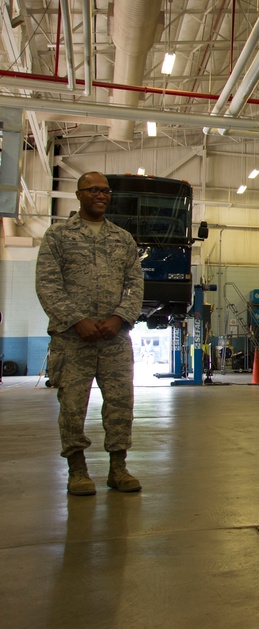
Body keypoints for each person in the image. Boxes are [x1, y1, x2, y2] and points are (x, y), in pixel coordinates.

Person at [35, 171, 144, 496]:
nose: (101, 195)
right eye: (93, 190)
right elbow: (47, 284)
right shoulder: (57, 237)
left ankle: (118, 468)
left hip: (114, 339)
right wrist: (75, 320)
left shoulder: (122, 239)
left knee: (120, 404)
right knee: (72, 406)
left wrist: (120, 317)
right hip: (72, 340)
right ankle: (77, 471)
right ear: (79, 194)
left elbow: (135, 283)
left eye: (106, 191)